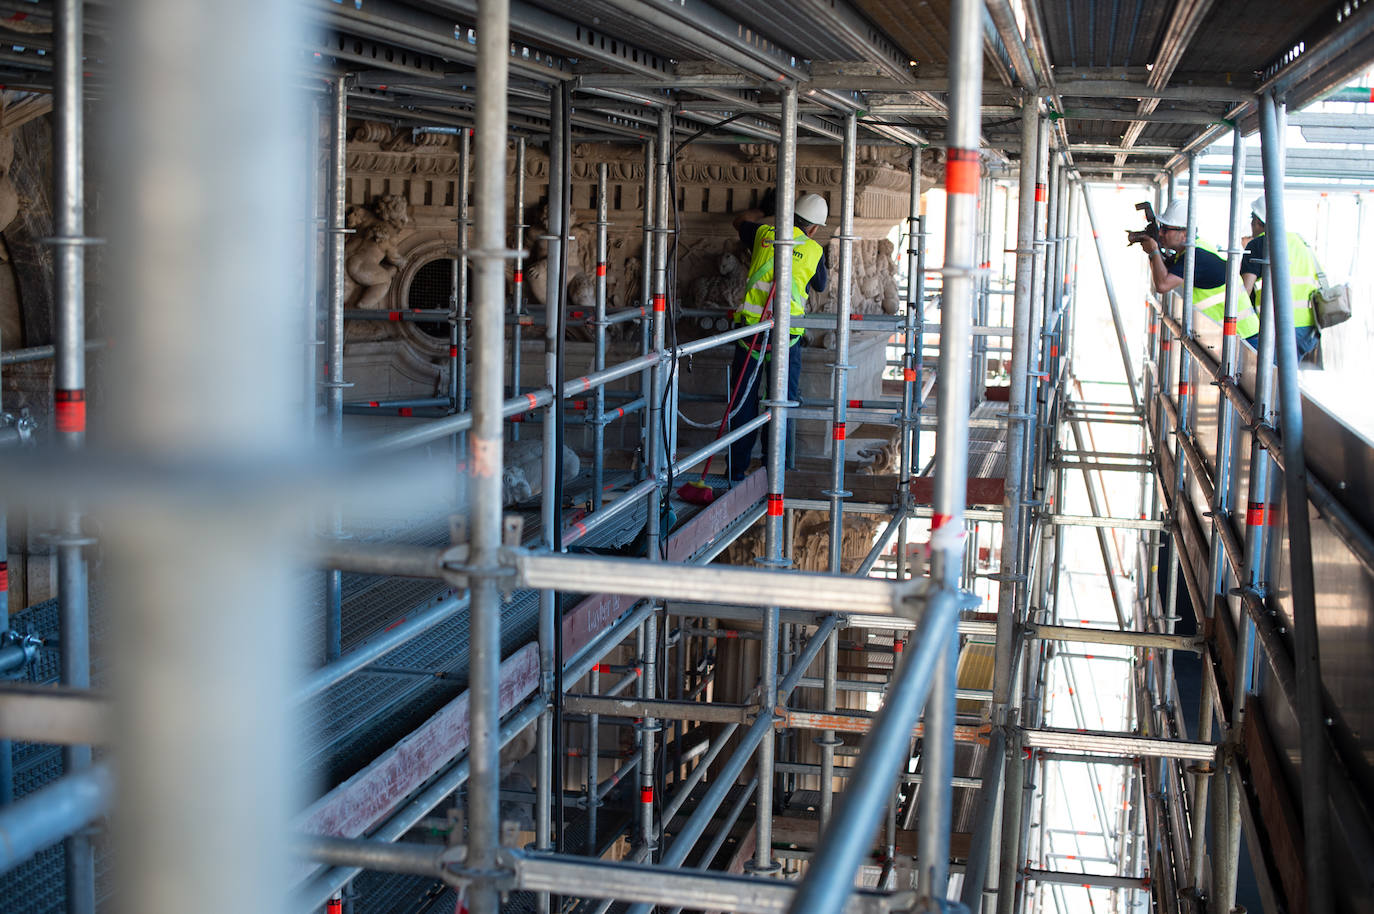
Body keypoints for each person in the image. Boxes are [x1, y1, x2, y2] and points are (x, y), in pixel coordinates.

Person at [727, 193, 829, 481]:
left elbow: (739, 222)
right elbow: (820, 284)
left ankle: (735, 471)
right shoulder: (813, 250)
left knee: (742, 403)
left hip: (751, 336)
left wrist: (763, 211)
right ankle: (775, 470)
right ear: (814, 229)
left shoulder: (763, 233)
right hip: (786, 339)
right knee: (780, 404)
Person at [1136, 199, 1244, 339]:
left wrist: (1153, 252)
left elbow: (1163, 284)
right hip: (1230, 335)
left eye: (1166, 229)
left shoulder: (1196, 256)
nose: (1161, 233)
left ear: (1185, 233)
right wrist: (1154, 252)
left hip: (1242, 336)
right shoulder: (1189, 252)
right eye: (1161, 227)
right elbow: (1163, 271)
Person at [1240, 195, 1321, 359]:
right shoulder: (1300, 242)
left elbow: (1244, 291)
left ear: (1257, 221)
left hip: (1277, 326)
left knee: (1271, 379)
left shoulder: (1258, 244)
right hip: (1308, 327)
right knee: (1285, 380)